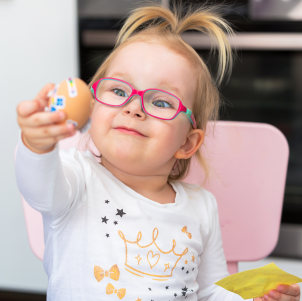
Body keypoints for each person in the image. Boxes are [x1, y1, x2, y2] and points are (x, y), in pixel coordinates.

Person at [15, 4, 300, 301]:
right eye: (119, 91)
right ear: (93, 106)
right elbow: (38, 188)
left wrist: (254, 298)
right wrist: (37, 144)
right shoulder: (76, 178)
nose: (134, 107)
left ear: (187, 143)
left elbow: (211, 292)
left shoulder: (201, 207)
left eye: (161, 102)